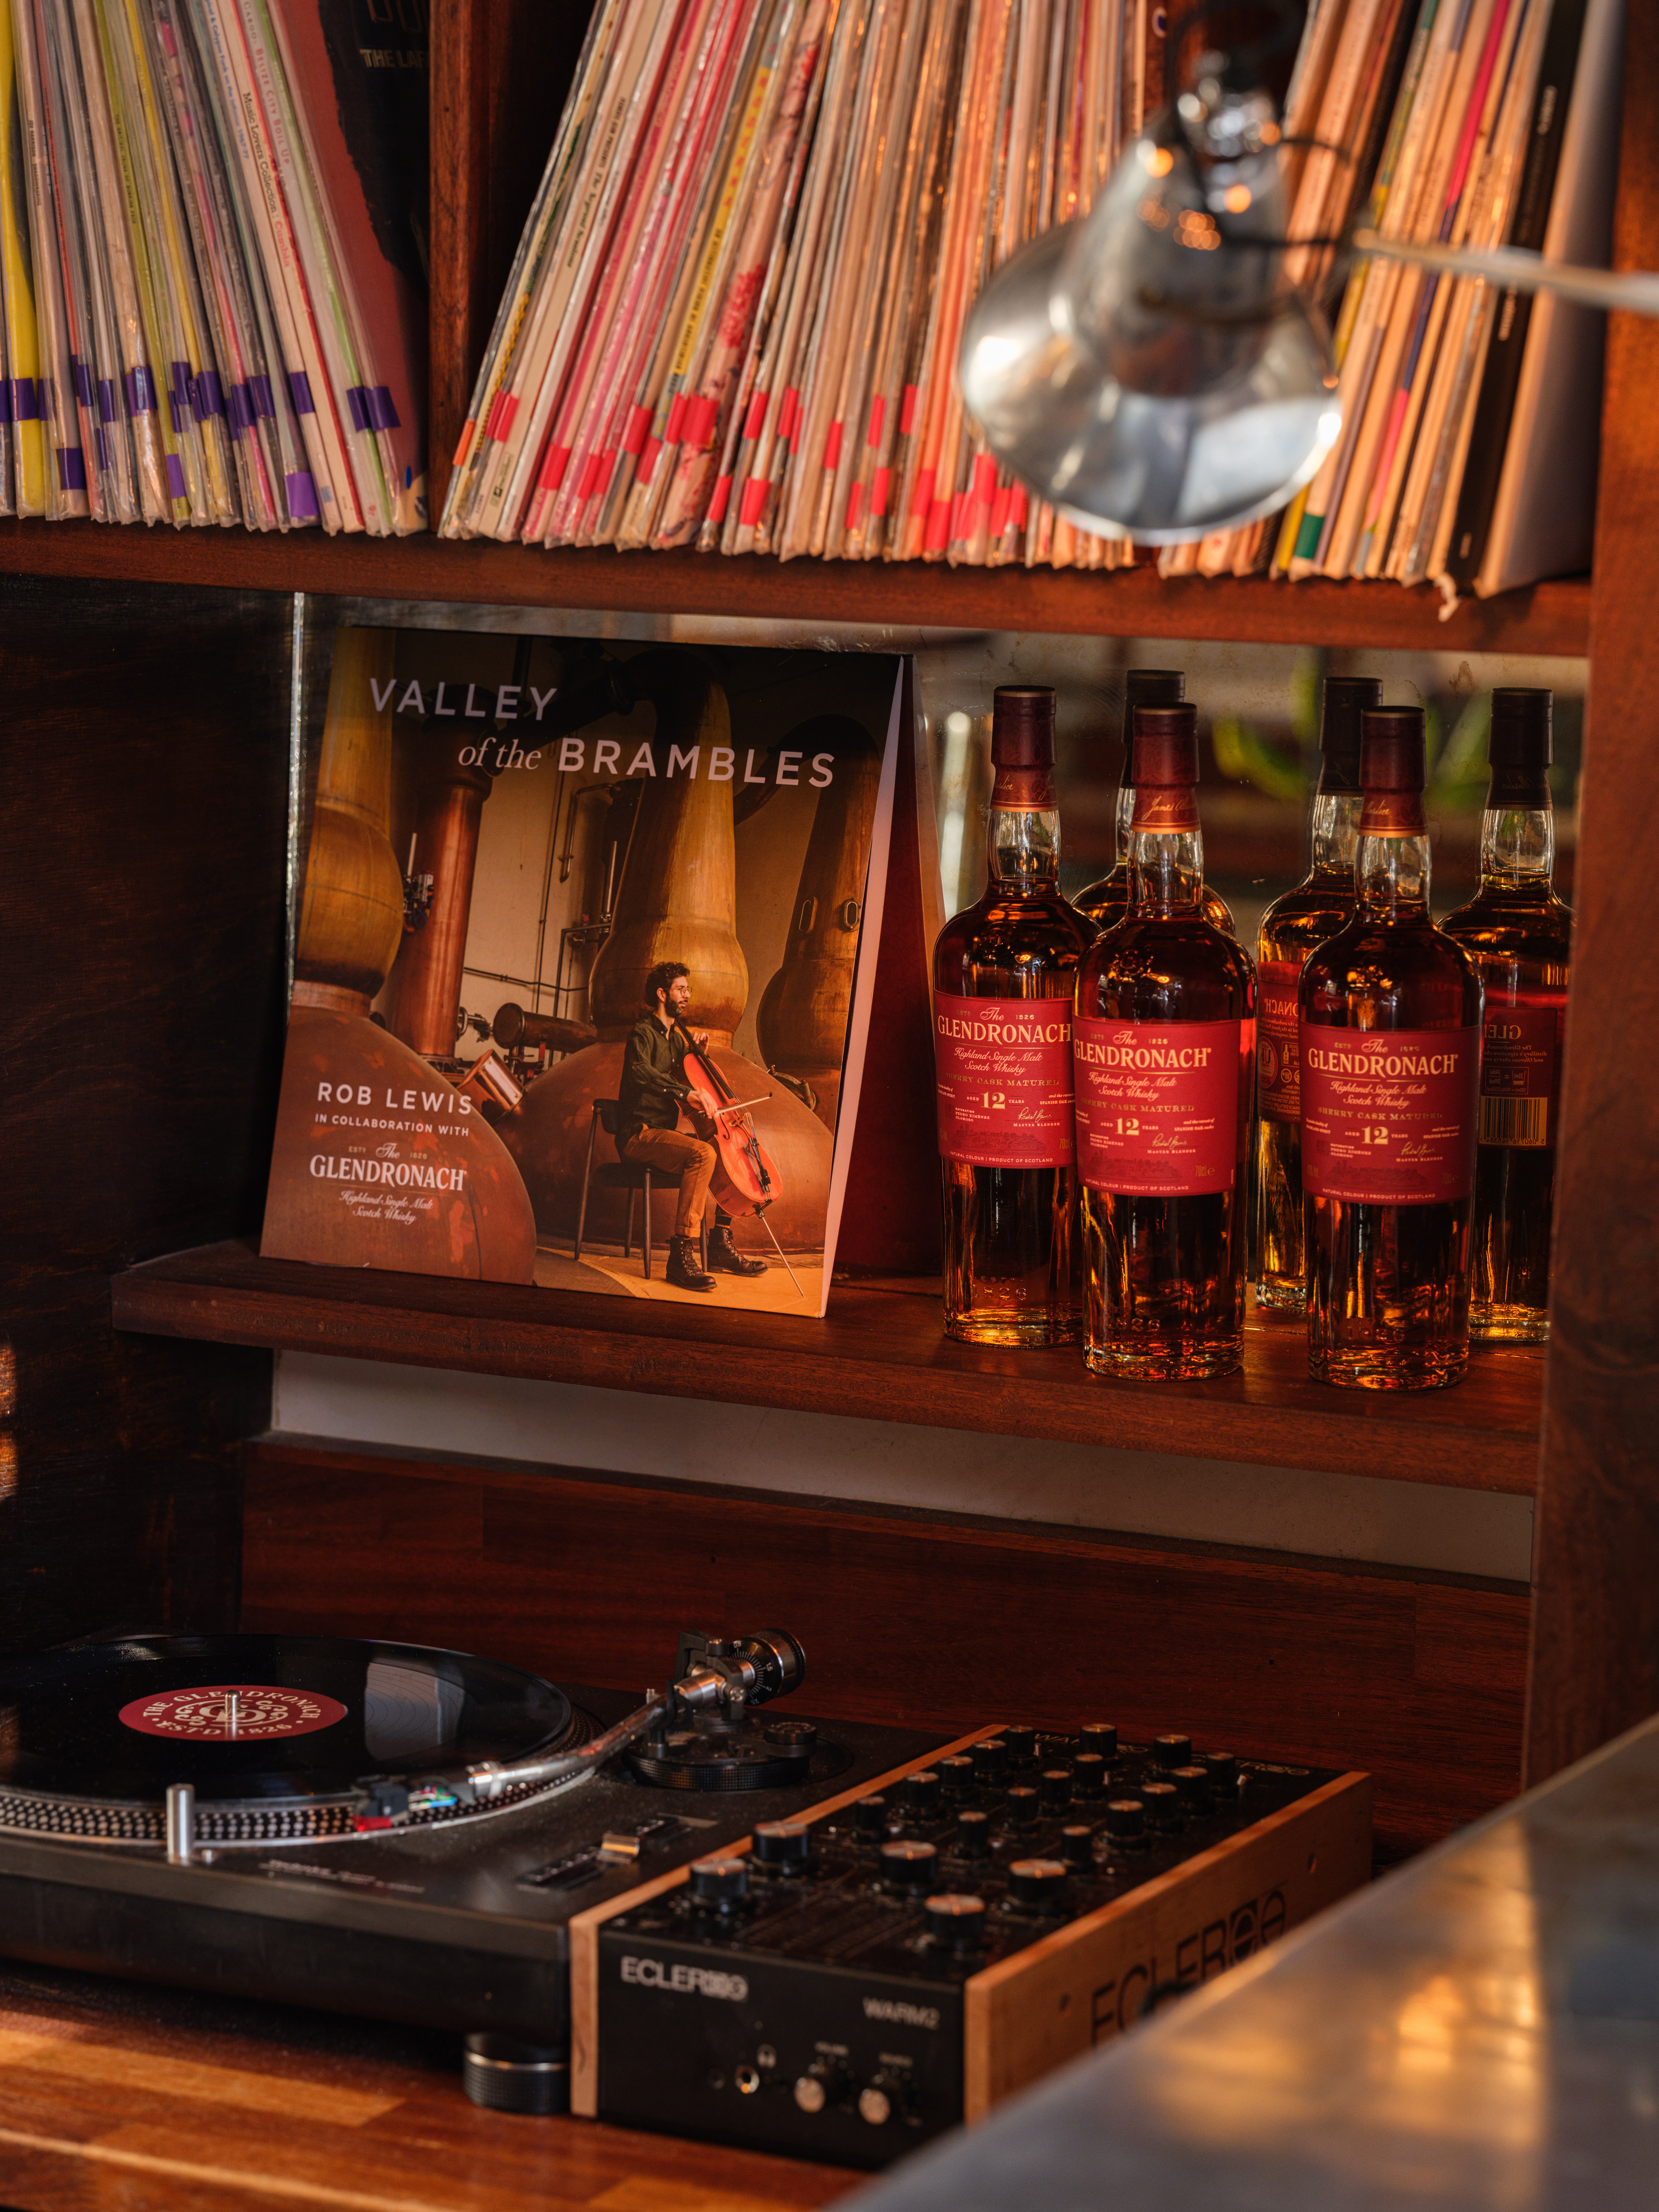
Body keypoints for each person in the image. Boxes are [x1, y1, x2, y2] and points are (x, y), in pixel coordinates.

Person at [616, 962, 768, 1293]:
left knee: (721, 1152)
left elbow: (685, 1075)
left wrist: (696, 1055)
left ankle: (720, 1243)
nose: (688, 995)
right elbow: (640, 1072)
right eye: (681, 989)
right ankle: (681, 1255)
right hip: (638, 1134)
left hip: (664, 1136)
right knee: (701, 1154)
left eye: (687, 989)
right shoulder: (642, 1033)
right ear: (662, 994)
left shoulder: (677, 1041)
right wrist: (687, 1091)